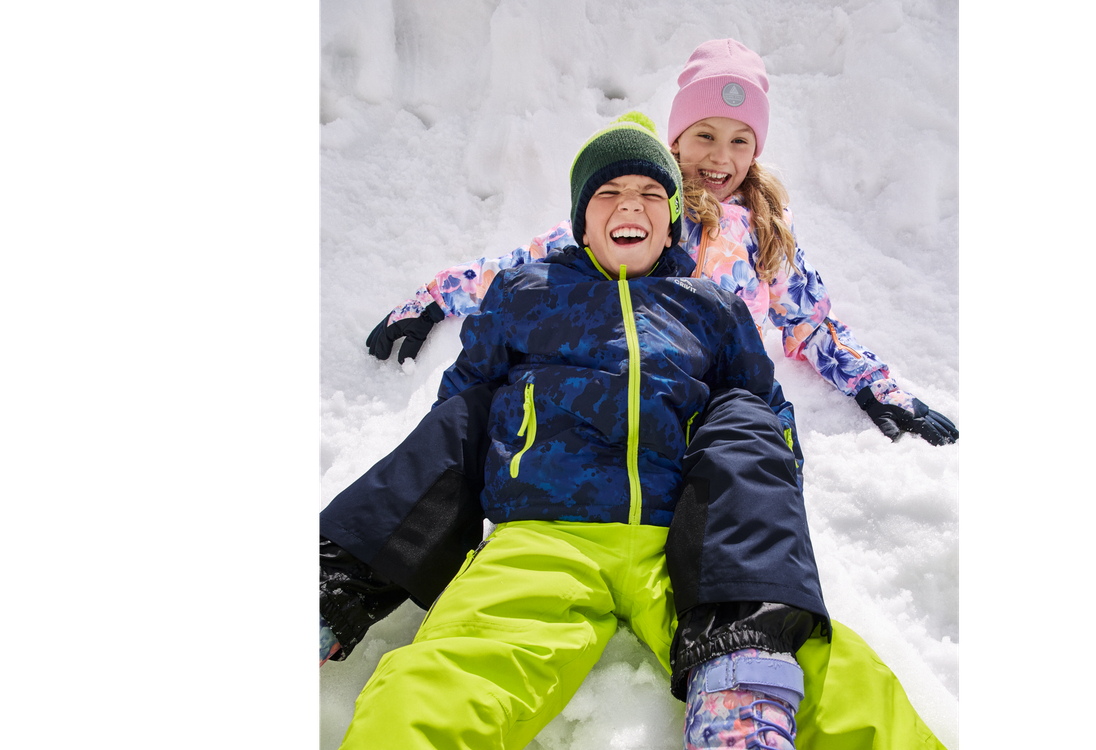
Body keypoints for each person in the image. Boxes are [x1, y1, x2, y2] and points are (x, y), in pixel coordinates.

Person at [318, 112, 950, 750]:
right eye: (609, 191)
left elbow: (768, 425)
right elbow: (457, 416)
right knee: (427, 701)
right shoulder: (528, 294)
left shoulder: (710, 308)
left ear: (670, 214)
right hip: (540, 539)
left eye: (651, 191)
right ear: (581, 218)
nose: (631, 203)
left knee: (839, 688)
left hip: (684, 544)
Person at [366, 39, 959, 447]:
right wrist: (436, 297)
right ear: (676, 139)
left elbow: (809, 323)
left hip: (718, 401)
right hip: (627, 384)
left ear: (757, 151)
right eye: (704, 135)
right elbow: (533, 267)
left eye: (740, 141)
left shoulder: (763, 225)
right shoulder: (647, 207)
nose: (720, 157)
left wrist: (875, 387)